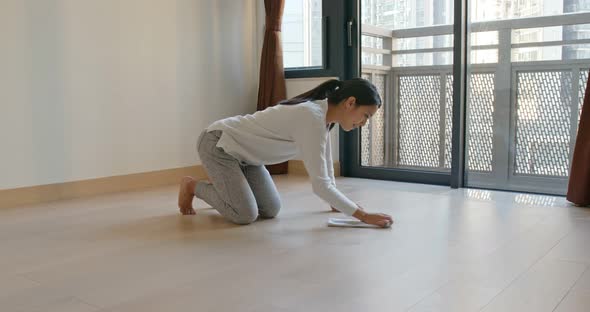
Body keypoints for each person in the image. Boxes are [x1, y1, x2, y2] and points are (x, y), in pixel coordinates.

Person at [177, 78, 393, 228]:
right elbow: (320, 185)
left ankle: (227, 185)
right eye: (365, 116)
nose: (364, 123)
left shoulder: (325, 121)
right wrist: (362, 216)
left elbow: (324, 167)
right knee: (244, 214)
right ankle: (192, 186)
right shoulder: (311, 117)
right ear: (350, 103)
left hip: (248, 157)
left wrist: (337, 203)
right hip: (219, 143)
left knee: (270, 209)